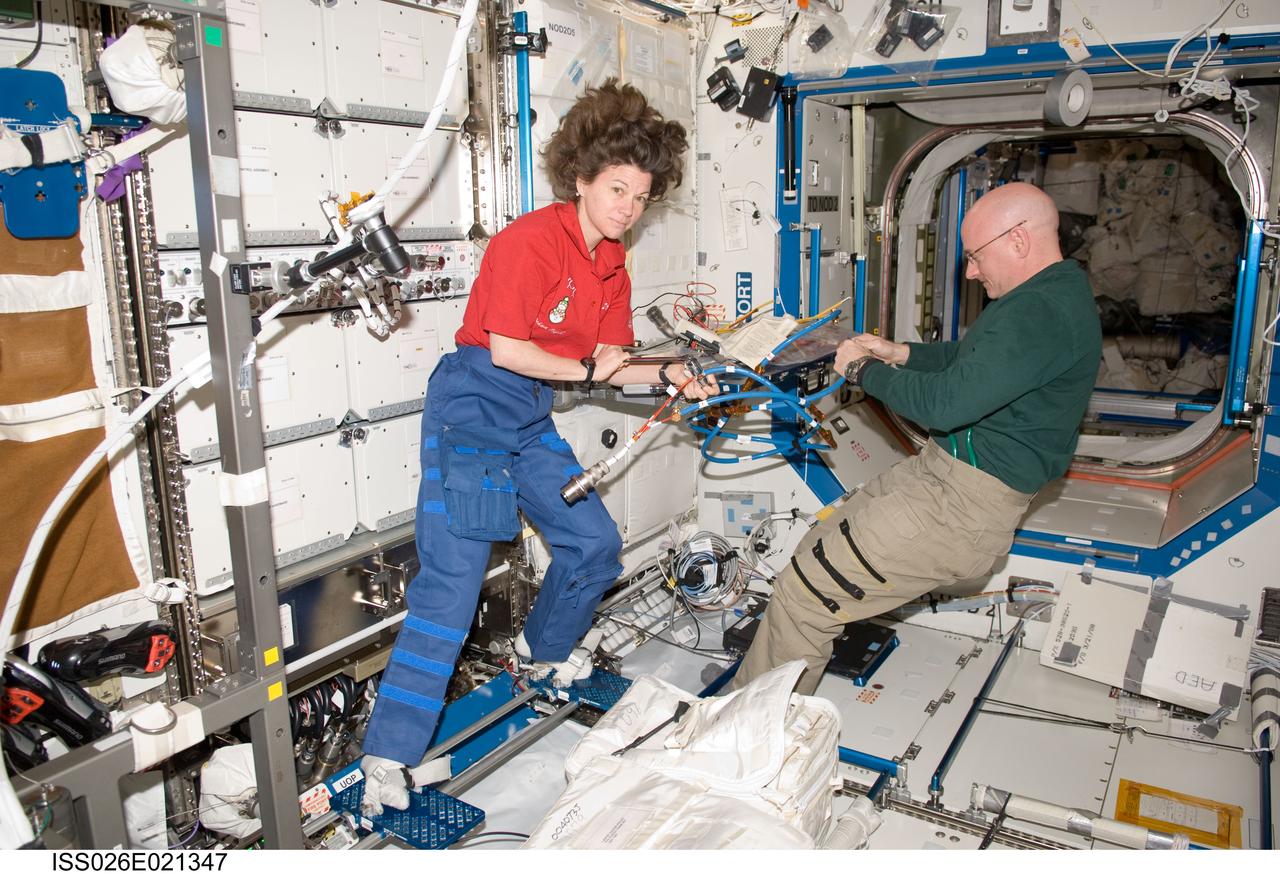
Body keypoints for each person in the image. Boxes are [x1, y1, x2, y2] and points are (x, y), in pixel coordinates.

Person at [357, 79, 712, 813]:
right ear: (581, 179)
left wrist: (671, 373)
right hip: (472, 413)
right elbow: (510, 348)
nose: (628, 208)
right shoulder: (529, 242)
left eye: (641, 197)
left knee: (594, 546)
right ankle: (386, 757)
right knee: (452, 590)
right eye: (617, 189)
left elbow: (613, 363)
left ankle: (543, 653)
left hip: (526, 418)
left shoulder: (612, 264)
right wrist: (593, 368)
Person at [733, 182, 1101, 695]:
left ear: (1018, 239)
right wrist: (899, 353)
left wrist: (862, 371)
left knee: (805, 598)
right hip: (941, 477)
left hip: (958, 507)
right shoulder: (1050, 294)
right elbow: (975, 361)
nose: (971, 272)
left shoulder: (1039, 312)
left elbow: (945, 405)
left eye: (976, 256)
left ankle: (748, 730)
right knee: (815, 551)